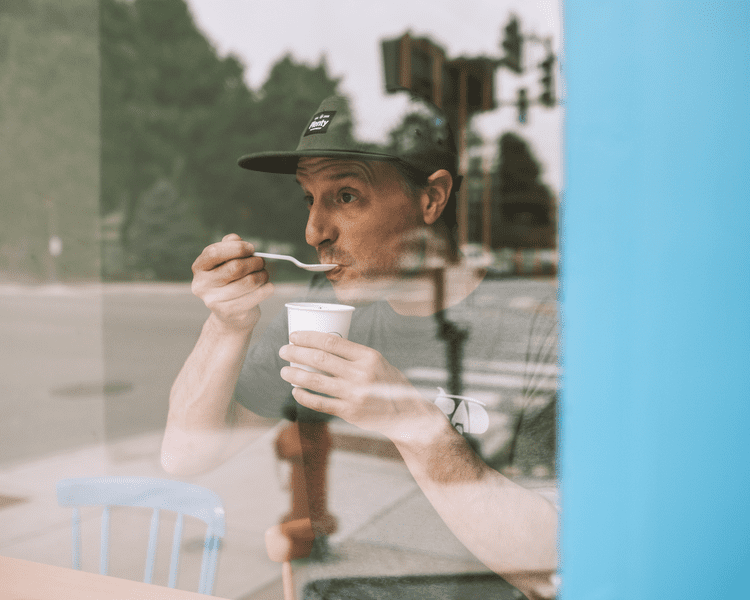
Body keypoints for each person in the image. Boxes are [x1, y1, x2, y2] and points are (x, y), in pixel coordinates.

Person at [161, 95, 558, 599]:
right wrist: (226, 326)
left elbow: (552, 569)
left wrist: (409, 420)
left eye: (345, 196)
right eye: (310, 197)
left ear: (432, 199)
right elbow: (185, 455)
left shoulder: (536, 327)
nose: (314, 232)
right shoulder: (325, 312)